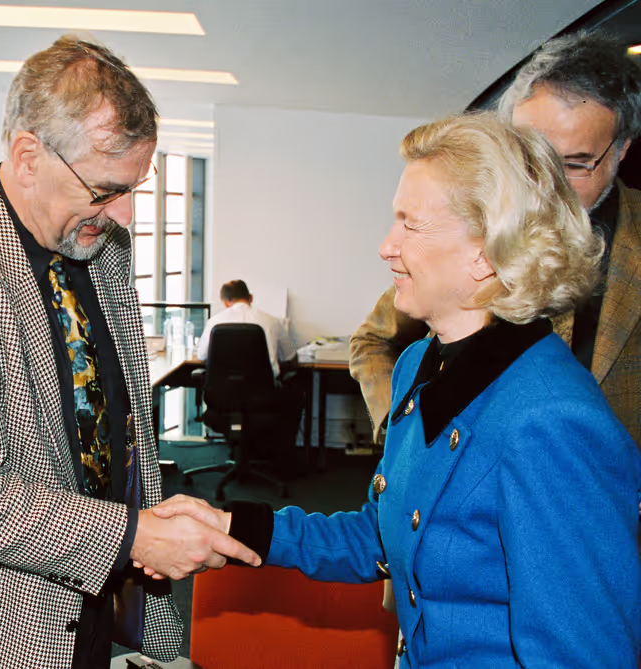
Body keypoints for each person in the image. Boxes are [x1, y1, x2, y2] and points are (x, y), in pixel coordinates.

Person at [146, 114, 641, 667]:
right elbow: (382, 537)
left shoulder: (551, 420)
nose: (386, 246)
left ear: (486, 251)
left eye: (410, 224)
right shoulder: (417, 367)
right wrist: (237, 525)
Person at [0, 35, 259, 669]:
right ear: (28, 156)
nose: (127, 215)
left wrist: (148, 509)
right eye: (107, 190)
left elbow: (113, 415)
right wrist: (133, 535)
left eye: (135, 186)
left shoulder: (100, 242)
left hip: (108, 603)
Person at [350, 31, 641, 448]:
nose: (545, 187)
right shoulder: (476, 233)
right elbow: (373, 341)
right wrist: (404, 440)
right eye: (526, 159)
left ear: (622, 150)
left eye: (575, 165)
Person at [197, 279, 296, 378]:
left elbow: (202, 355)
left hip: (222, 388)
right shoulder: (273, 321)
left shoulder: (214, 322)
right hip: (262, 387)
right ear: (251, 298)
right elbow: (290, 355)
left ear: (225, 303)